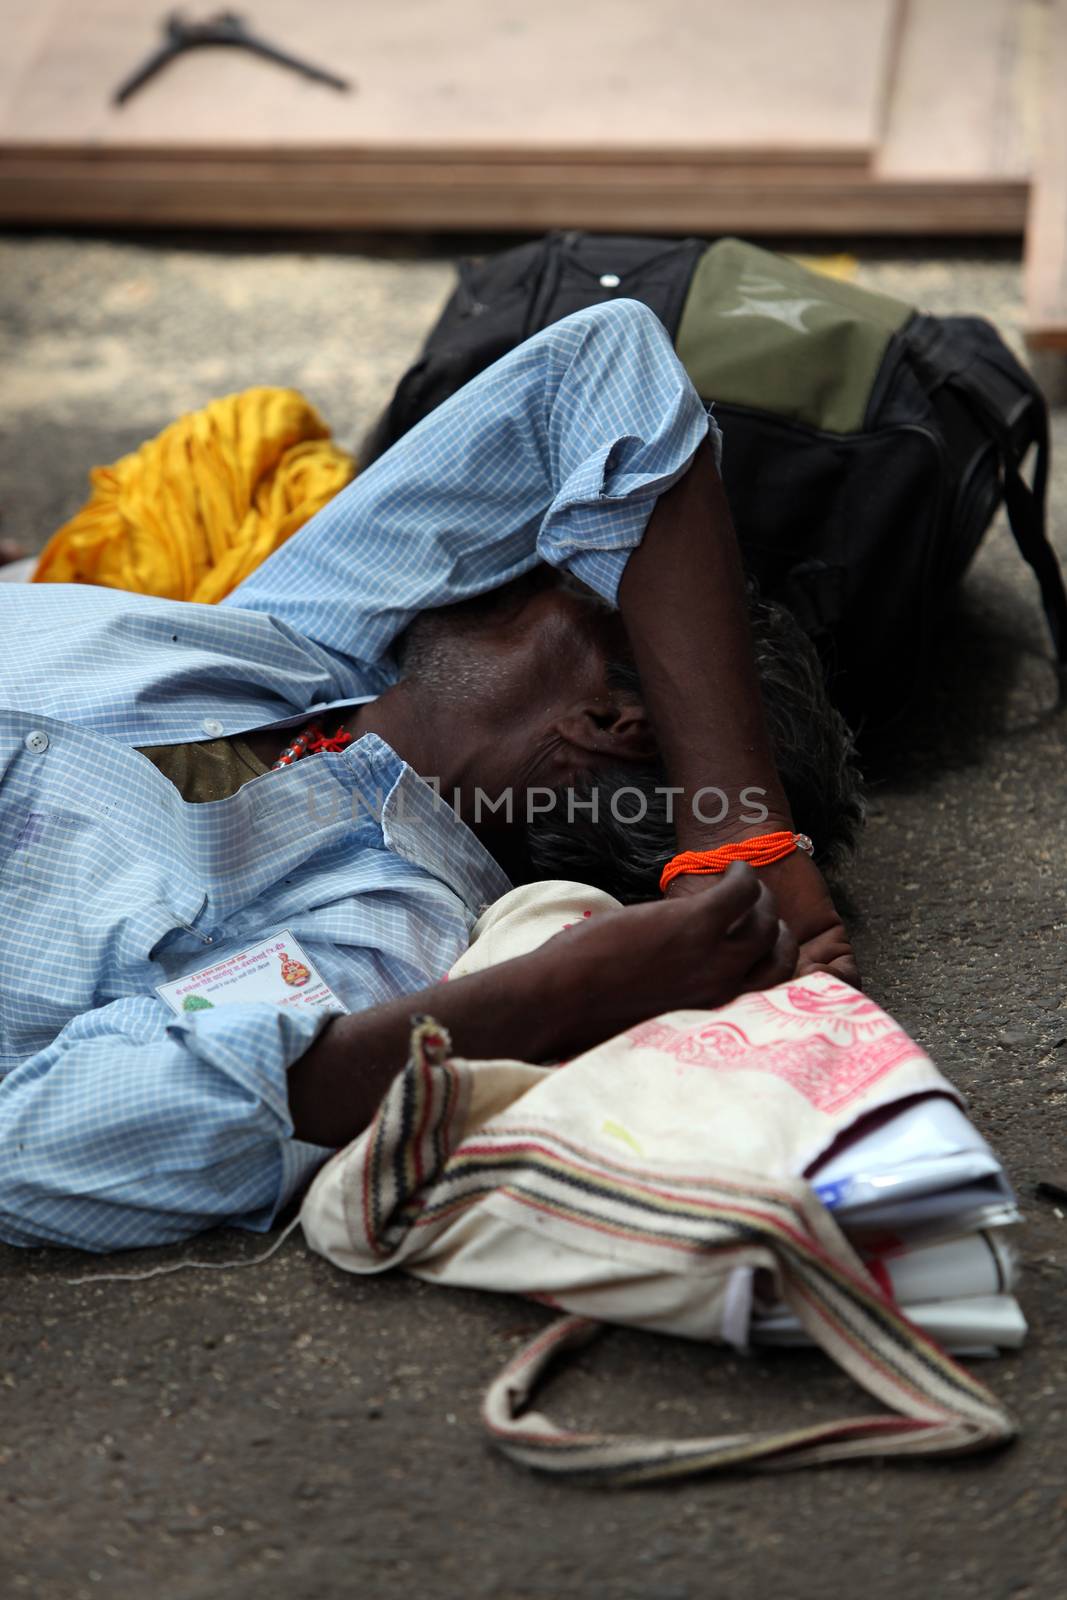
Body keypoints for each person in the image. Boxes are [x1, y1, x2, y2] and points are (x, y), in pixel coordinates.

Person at [0, 299, 861, 1253]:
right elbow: (601, 365)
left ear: (611, 724)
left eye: (571, 587)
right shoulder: (305, 641)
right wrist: (735, 823)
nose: (531, 559)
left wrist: (552, 997)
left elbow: (47, 1142)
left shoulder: (382, 920)